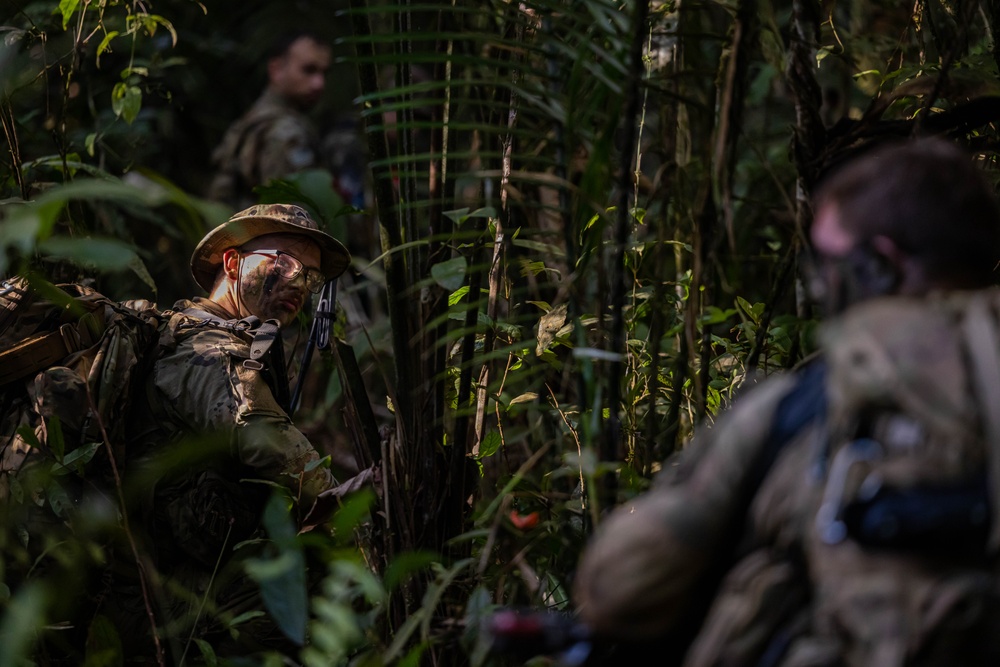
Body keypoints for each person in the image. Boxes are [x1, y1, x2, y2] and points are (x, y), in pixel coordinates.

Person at [571, 137, 1000, 666]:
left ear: (880, 266)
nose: (820, 284)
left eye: (827, 261)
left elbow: (623, 590)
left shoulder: (805, 407)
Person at [109, 203, 371, 660]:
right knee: (337, 585)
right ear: (232, 263)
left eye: (310, 276)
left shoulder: (217, 337)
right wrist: (366, 527)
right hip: (156, 599)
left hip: (181, 576)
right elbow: (274, 448)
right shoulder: (207, 349)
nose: (299, 282)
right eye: (283, 261)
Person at [207, 30, 332, 209]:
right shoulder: (284, 130)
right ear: (276, 70)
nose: (319, 83)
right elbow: (290, 214)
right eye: (308, 70)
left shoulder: (253, 120)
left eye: (324, 73)